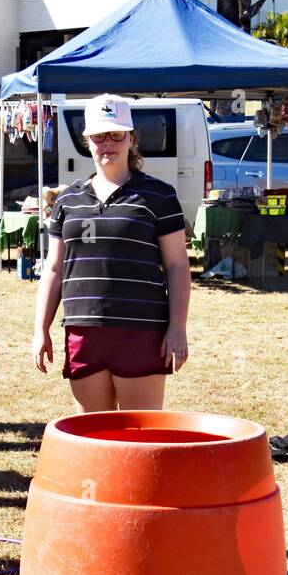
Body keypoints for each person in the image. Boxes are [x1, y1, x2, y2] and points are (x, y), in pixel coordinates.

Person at [32, 95, 191, 413]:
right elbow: (53, 269)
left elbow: (177, 266)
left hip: (141, 330)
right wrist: (41, 329)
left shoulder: (159, 196)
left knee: (140, 436)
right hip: (82, 330)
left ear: (131, 139)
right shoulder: (68, 201)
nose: (108, 143)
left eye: (117, 134)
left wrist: (177, 328)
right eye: (99, 136)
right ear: (87, 140)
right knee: (94, 439)